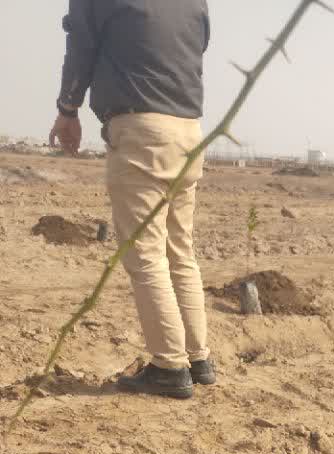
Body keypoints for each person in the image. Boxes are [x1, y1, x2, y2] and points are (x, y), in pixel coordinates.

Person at [50, 0, 215, 400]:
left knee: (146, 255)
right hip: (188, 128)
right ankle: (198, 360)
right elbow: (197, 45)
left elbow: (81, 45)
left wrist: (68, 108)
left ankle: (169, 368)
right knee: (180, 250)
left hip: (141, 129)